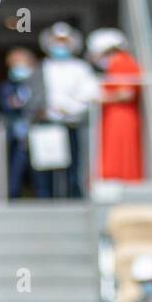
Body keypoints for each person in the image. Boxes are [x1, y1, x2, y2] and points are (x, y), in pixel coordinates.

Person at [37, 21, 99, 198]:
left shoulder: (80, 68)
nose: (60, 45)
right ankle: (47, 199)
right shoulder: (43, 67)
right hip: (48, 123)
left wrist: (69, 109)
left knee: (73, 166)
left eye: (64, 41)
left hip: (71, 124)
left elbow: (89, 95)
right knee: (47, 166)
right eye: (57, 40)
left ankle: (73, 196)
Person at [86, 28, 144, 182]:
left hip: (120, 117)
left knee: (119, 154)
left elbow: (126, 93)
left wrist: (100, 98)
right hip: (116, 115)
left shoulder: (121, 62)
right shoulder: (122, 62)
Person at [0, 46, 46, 198]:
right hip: (16, 136)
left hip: (35, 132)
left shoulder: (38, 84)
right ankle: (11, 197)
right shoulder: (7, 86)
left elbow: (39, 105)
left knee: (39, 169)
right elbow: (6, 105)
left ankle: (43, 197)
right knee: (15, 169)